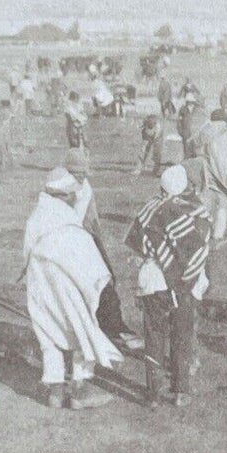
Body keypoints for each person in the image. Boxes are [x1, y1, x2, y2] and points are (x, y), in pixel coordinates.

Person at [23, 168, 122, 409]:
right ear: (65, 195)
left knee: (49, 332)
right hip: (65, 284)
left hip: (39, 281)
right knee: (80, 329)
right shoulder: (67, 224)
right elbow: (88, 261)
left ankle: (55, 393)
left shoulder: (37, 216)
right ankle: (79, 392)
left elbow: (25, 253)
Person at [126, 164, 212, 408]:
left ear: (161, 187)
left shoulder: (151, 208)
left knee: (154, 334)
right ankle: (181, 391)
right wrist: (184, 274)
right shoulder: (196, 211)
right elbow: (199, 248)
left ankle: (152, 394)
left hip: (153, 279)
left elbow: (138, 244)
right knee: (182, 333)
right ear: (185, 186)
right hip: (185, 282)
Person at [63, 147, 142, 353]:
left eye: (83, 173)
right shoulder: (59, 189)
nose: (81, 177)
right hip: (66, 246)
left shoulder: (85, 188)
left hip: (86, 240)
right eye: (76, 173)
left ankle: (114, 327)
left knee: (106, 281)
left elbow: (90, 220)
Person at [198, 108, 227, 242]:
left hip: (208, 173)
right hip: (225, 174)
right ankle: (218, 234)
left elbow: (199, 151)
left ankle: (201, 231)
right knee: (223, 204)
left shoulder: (205, 132)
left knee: (205, 202)